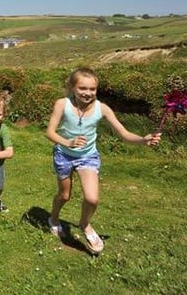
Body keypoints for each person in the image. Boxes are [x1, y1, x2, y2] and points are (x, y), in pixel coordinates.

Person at [45, 67, 161, 255]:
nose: (88, 93)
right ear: (72, 87)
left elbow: (124, 134)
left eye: (92, 89)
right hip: (64, 154)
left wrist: (143, 139)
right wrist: (68, 142)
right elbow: (49, 132)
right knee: (64, 195)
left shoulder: (102, 109)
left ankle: (84, 224)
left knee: (92, 198)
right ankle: (54, 219)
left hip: (87, 156)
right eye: (83, 88)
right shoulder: (62, 104)